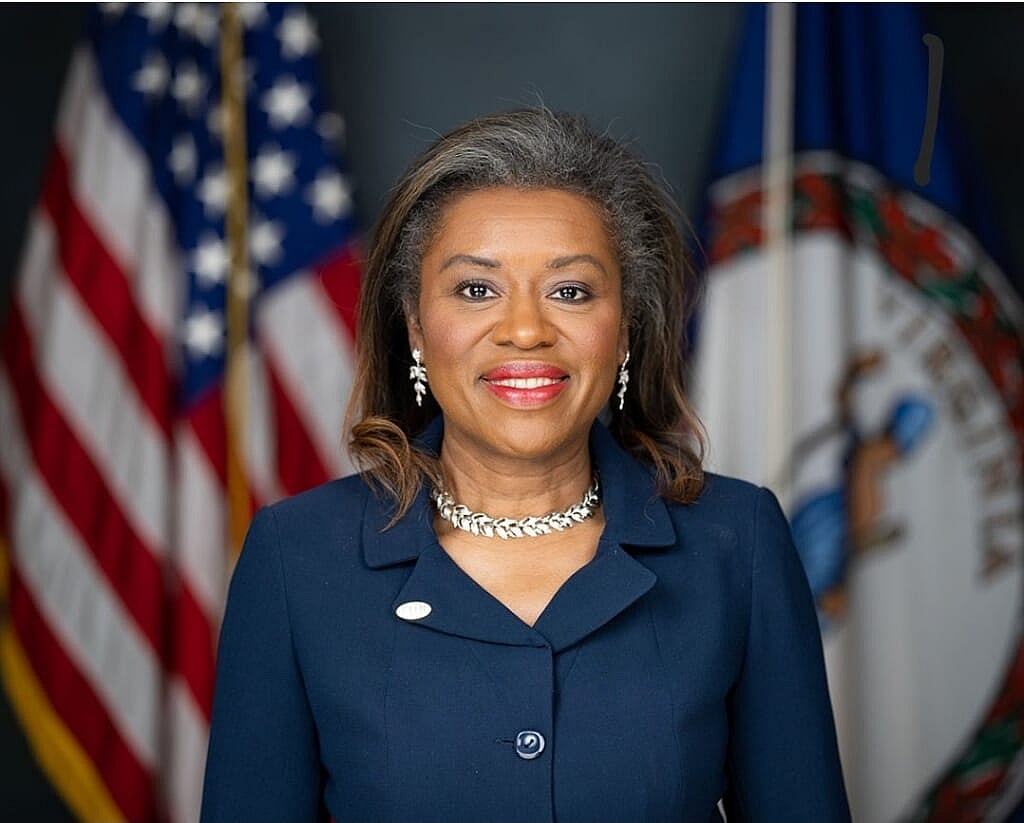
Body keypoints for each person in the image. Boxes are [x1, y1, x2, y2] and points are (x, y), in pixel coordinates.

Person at [200, 109, 851, 823]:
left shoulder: (738, 540)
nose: (525, 330)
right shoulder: (295, 558)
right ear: (415, 326)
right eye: (476, 289)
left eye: (570, 291)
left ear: (624, 328)